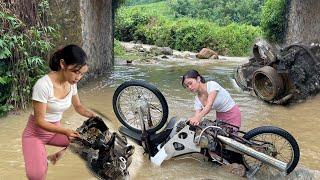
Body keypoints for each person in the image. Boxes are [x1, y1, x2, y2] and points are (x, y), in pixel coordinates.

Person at [22, 44, 96, 180]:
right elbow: (39, 121)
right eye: (75, 71)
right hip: (36, 134)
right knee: (36, 176)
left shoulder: (71, 83)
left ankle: (56, 156)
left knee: (88, 144)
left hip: (55, 130)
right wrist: (65, 131)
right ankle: (40, 160)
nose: (78, 77)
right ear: (63, 64)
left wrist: (94, 116)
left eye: (81, 73)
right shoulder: (43, 85)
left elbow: (78, 106)